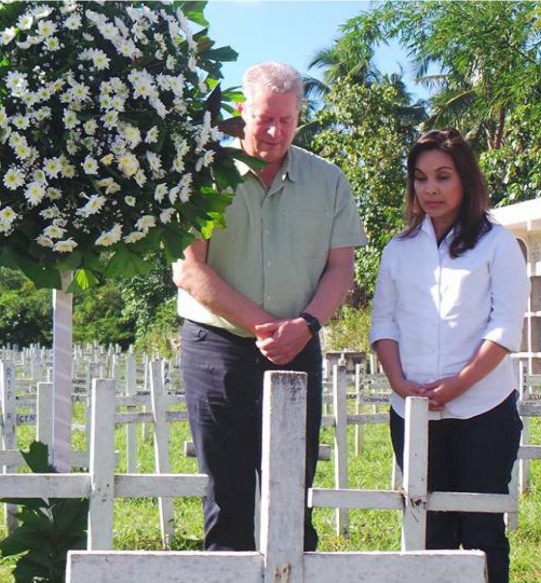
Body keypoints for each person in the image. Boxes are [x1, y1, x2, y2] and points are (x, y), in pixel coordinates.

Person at [173, 61, 367, 552]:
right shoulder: (202, 175)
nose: (276, 130)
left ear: (300, 116)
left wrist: (304, 325)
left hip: (299, 343)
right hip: (216, 345)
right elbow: (190, 269)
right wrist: (266, 327)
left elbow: (341, 268)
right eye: (265, 119)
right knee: (225, 492)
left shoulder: (329, 180)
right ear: (243, 111)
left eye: (287, 119)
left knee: (291, 489)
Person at [369, 128, 528, 583]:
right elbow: (384, 324)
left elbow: (504, 326)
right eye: (420, 178)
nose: (431, 189)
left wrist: (460, 383)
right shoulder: (398, 250)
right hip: (413, 410)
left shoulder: (498, 243)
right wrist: (399, 382)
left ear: (465, 180)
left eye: (443, 176)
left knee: (482, 531)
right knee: (428, 531)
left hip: (483, 408)